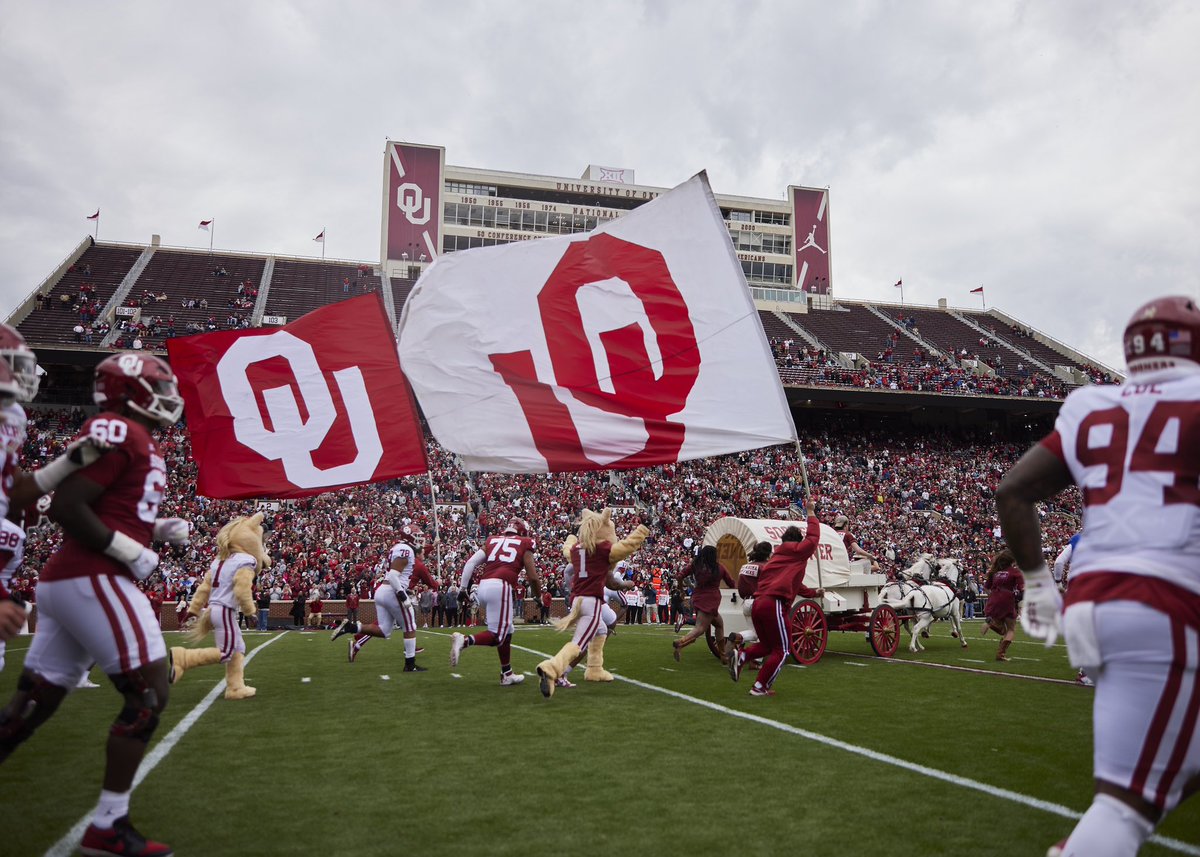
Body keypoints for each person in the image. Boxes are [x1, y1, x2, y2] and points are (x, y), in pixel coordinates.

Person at [995, 295, 1200, 857]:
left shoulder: (1093, 405)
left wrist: (1040, 584)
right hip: (1166, 601)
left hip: (1097, 605)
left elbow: (1013, 490)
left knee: (1156, 774)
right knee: (1124, 806)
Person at [0, 351, 188, 857]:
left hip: (72, 580)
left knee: (32, 704)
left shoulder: (135, 435)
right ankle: (107, 826)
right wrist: (130, 550)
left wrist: (153, 530)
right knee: (148, 695)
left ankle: (107, 826)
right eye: (159, 387)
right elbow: (66, 505)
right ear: (131, 393)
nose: (168, 396)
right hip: (94, 576)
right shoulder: (121, 429)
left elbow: (105, 506)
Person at [535, 509, 647, 698]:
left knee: (601, 631)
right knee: (579, 643)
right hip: (591, 600)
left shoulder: (577, 549)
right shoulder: (601, 549)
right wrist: (641, 531)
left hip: (578, 598)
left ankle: (594, 668)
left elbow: (567, 549)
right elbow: (625, 547)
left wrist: (571, 538)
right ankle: (552, 669)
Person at [728, 497, 823, 697]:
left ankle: (743, 657)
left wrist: (813, 593)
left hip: (758, 603)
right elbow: (813, 539)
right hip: (774, 604)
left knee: (766, 646)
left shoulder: (776, 558)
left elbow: (795, 585)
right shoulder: (796, 552)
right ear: (797, 542)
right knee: (783, 650)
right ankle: (759, 686)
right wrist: (810, 512)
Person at [450, 517, 542, 685]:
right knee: (498, 636)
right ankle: (465, 640)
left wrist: (463, 589)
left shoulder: (492, 540)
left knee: (508, 630)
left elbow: (470, 562)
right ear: (522, 532)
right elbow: (533, 577)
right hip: (501, 586)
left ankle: (507, 673)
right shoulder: (525, 542)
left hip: (483, 586)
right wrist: (538, 596)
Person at [332, 524, 434, 671]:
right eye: (417, 536)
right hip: (393, 591)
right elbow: (393, 575)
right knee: (410, 626)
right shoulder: (405, 550)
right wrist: (402, 595)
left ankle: (351, 627)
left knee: (384, 630)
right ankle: (410, 665)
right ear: (409, 537)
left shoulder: (401, 548)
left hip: (384, 590)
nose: (420, 539)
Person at [671, 546, 735, 662]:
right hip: (711, 599)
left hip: (698, 597)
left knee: (719, 624)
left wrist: (681, 590)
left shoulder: (696, 566)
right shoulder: (719, 568)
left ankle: (723, 655)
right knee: (700, 628)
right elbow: (731, 583)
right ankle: (680, 642)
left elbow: (680, 576)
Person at [981, 549, 1023, 662]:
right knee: (1011, 629)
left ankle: (992, 623)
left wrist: (993, 596)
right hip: (1007, 599)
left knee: (1003, 630)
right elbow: (1022, 589)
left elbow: (986, 588)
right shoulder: (1015, 572)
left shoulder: (994, 571)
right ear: (1012, 560)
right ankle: (1001, 654)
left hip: (994, 598)